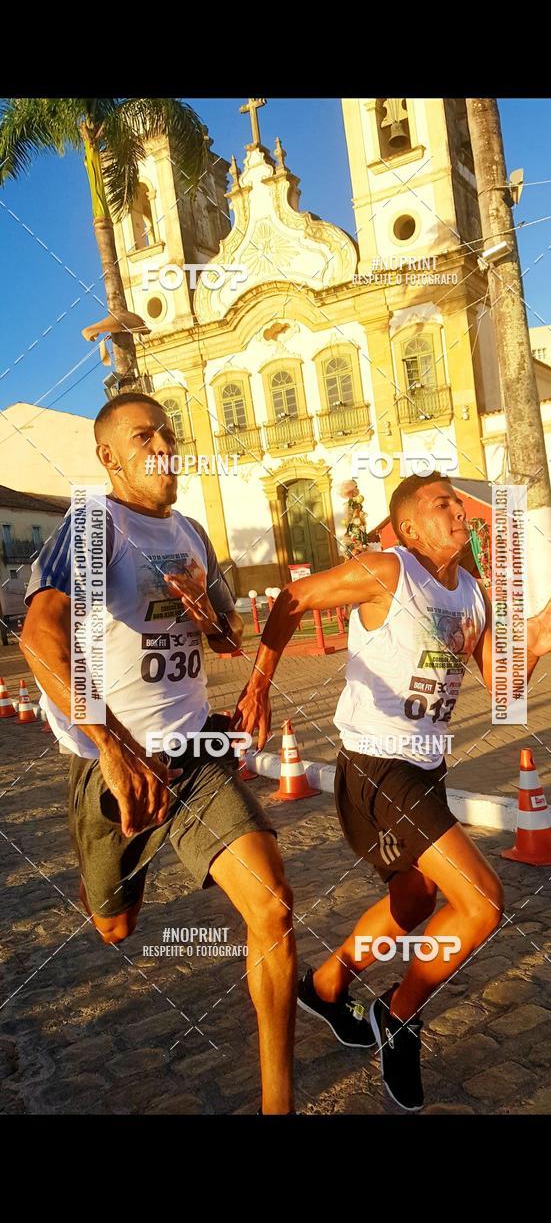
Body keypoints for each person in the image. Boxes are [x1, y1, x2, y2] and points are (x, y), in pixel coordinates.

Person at [234, 471, 551, 1110]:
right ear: (407, 526)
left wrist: (530, 646)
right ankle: (397, 1017)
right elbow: (292, 602)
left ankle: (324, 984)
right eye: (442, 503)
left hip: (424, 770)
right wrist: (259, 684)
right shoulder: (385, 570)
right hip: (376, 768)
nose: (458, 510)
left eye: (459, 501)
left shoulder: (474, 594)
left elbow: (501, 690)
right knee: (481, 901)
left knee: (413, 900)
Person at [20, 392, 297, 1115]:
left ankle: (278, 1104)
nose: (164, 446)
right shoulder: (93, 525)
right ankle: (103, 881)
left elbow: (229, 635)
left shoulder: (195, 533)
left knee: (272, 907)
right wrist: (110, 745)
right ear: (110, 456)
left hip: (195, 748)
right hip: (109, 761)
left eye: (169, 433)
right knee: (116, 925)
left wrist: (226, 634)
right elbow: (37, 637)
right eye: (145, 436)